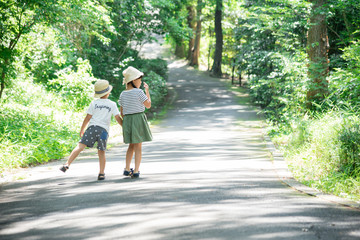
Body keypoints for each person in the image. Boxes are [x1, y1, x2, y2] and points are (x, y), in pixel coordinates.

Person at [59, 80, 122, 180]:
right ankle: (101, 173)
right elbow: (118, 118)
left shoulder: (94, 103)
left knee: (80, 146)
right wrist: (125, 127)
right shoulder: (112, 104)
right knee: (101, 152)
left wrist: (82, 129)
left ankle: (67, 164)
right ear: (108, 92)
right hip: (103, 131)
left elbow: (87, 118)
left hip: (92, 129)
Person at [119, 66, 152, 178]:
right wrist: (147, 92)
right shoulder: (139, 92)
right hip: (138, 119)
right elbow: (148, 105)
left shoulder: (122, 94)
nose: (140, 81)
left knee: (131, 146)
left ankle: (127, 168)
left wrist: (126, 122)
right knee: (138, 146)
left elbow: (122, 112)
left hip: (127, 120)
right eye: (139, 79)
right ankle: (136, 170)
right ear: (133, 80)